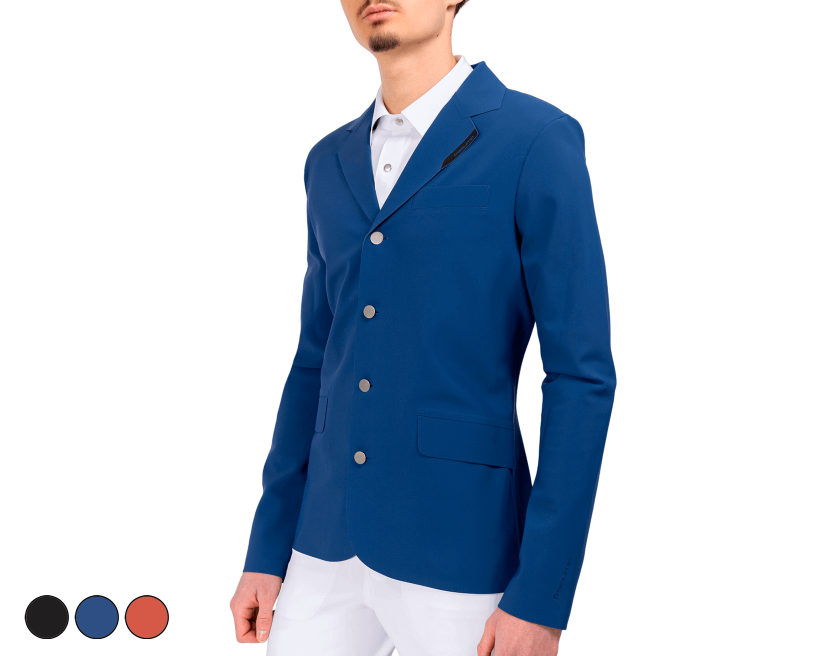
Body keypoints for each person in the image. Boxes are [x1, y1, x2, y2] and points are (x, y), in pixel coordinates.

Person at [229, 2, 615, 654]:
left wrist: (541, 594)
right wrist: (267, 550)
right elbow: (314, 361)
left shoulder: (535, 137)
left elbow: (580, 376)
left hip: (462, 545)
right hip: (322, 547)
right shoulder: (327, 158)